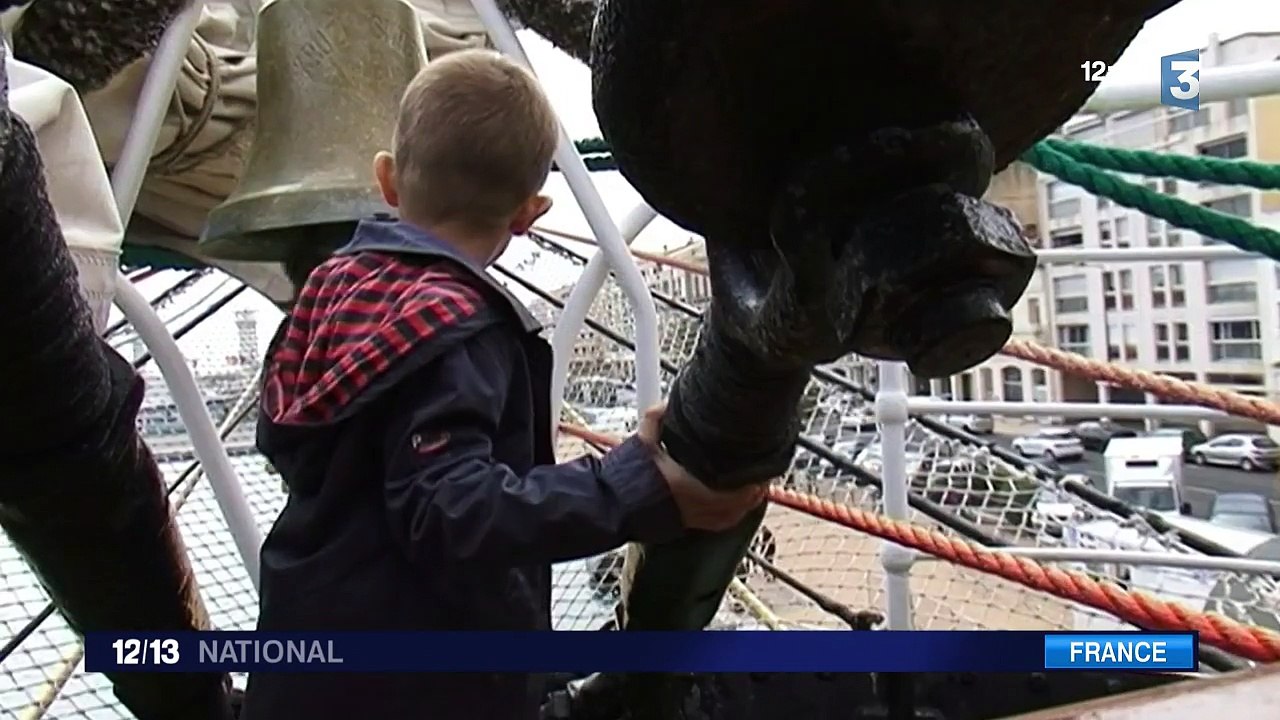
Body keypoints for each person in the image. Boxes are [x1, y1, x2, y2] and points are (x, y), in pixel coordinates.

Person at [240, 49, 767, 720]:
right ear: (529, 212)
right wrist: (638, 485)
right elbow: (450, 510)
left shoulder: (329, 298)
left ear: (387, 180)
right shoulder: (454, 332)